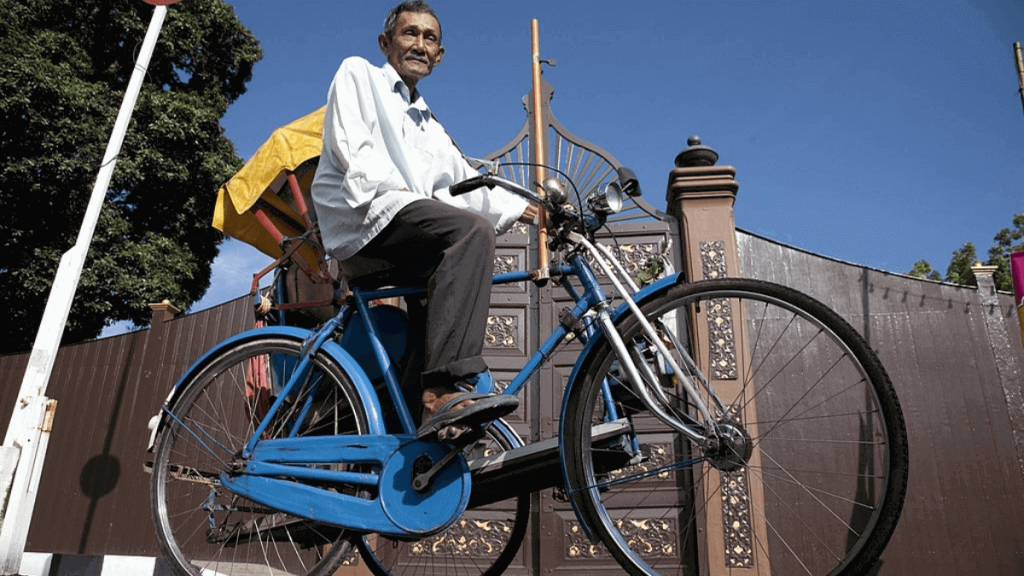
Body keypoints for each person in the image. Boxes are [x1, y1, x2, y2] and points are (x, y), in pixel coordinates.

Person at [311, 1, 535, 441]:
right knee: (470, 233)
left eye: (429, 38)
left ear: (440, 54)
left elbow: (466, 182)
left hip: (400, 219)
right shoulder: (358, 74)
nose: (419, 44)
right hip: (363, 218)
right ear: (386, 42)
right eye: (409, 33)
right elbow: (355, 152)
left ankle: (408, 432)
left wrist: (526, 205)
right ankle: (443, 390)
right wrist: (416, 198)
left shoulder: (429, 123)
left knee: (436, 313)